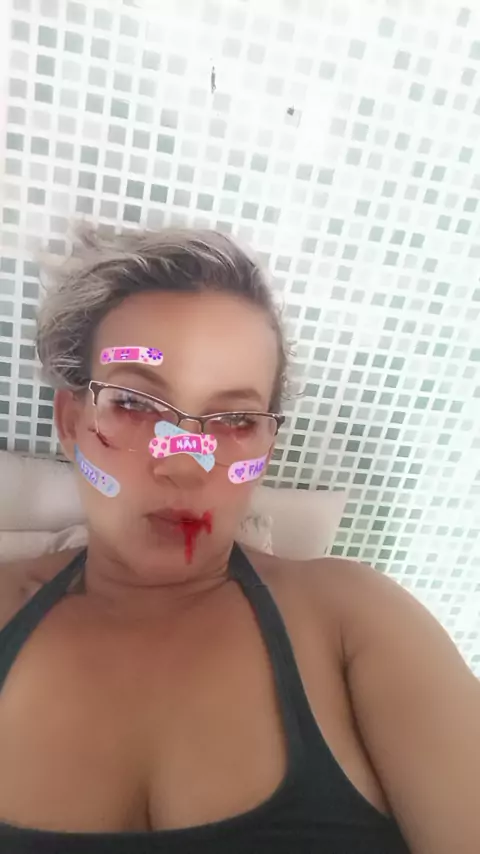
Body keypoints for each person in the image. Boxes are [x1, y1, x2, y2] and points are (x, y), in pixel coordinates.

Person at [0, 229, 478, 854]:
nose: (184, 466)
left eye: (235, 420)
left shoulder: (356, 621)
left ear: (267, 447)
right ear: (71, 423)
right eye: (134, 404)